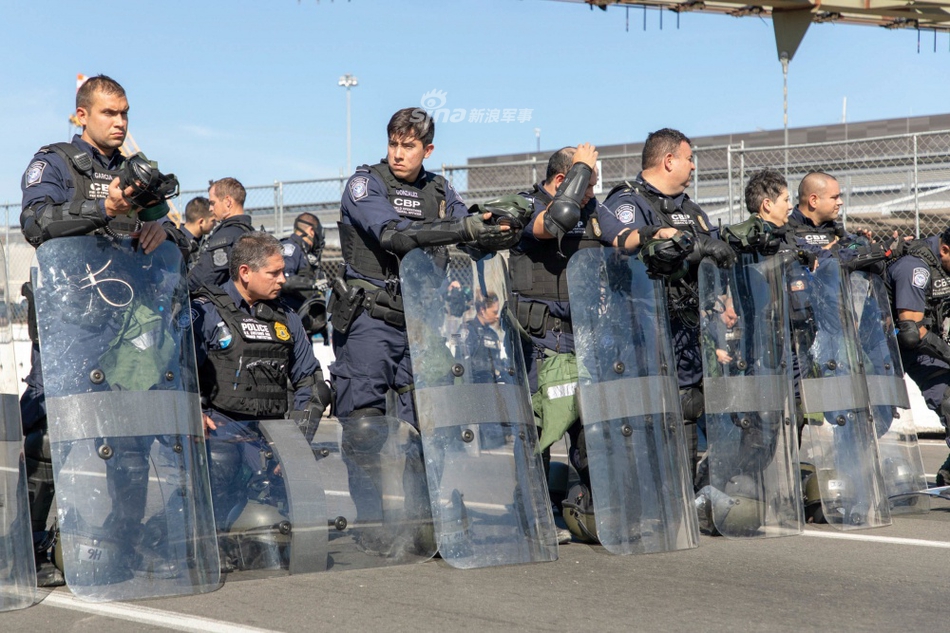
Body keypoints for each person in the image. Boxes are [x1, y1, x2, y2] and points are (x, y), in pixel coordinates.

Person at [19, 74, 175, 586]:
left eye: (125, 113)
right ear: (82, 115)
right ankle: (25, 549)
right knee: (49, 437)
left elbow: (178, 242)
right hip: (70, 321)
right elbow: (36, 223)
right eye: (110, 113)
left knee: (129, 443)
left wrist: (162, 230)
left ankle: (121, 544)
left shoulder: (137, 173)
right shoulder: (56, 163)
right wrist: (102, 208)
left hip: (126, 329)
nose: (120, 122)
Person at [329, 107, 518, 426]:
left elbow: (468, 228)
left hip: (422, 323)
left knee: (431, 427)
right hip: (371, 319)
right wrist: (465, 228)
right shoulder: (365, 183)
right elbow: (395, 235)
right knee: (365, 425)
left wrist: (498, 226)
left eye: (408, 146)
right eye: (393, 144)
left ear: (428, 150)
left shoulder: (440, 190)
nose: (398, 154)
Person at [511, 143, 648, 543]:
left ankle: (594, 510)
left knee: (591, 430)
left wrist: (658, 234)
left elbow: (623, 238)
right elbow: (552, 223)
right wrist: (580, 171)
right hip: (539, 341)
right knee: (538, 431)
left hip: (585, 339)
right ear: (562, 180)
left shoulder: (592, 211)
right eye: (588, 184)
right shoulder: (526, 206)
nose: (592, 193)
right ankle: (533, 521)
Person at [601, 128, 736, 481]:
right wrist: (697, 247)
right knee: (647, 430)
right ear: (669, 160)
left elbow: (715, 260)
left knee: (688, 415)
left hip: (686, 334)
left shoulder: (691, 209)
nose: (693, 166)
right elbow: (631, 246)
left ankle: (684, 497)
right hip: (642, 338)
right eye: (689, 159)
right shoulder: (628, 201)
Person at [191, 232, 331, 547]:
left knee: (289, 514)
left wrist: (296, 445)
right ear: (245, 272)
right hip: (220, 430)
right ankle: (196, 543)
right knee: (220, 467)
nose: (283, 279)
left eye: (283, 272)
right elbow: (178, 372)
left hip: (269, 431)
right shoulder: (206, 311)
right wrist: (192, 412)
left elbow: (310, 383)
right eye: (274, 273)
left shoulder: (287, 317)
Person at [886, 226, 950, 486]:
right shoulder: (915, 268)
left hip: (930, 343)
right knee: (876, 419)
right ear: (945, 250)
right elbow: (912, 332)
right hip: (891, 347)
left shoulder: (945, 264)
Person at [188, 177, 253, 293]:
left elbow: (203, 277)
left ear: (228, 202)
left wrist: (178, 288)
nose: (210, 208)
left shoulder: (227, 235)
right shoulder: (248, 231)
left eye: (213, 203)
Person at [281, 212, 328, 340]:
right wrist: (312, 284)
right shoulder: (291, 247)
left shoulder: (307, 254)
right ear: (311, 231)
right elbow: (284, 280)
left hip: (301, 322)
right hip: (288, 319)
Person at [180, 196, 216, 269]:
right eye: (213, 221)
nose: (215, 224)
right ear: (201, 222)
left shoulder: (207, 242)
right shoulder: (176, 243)